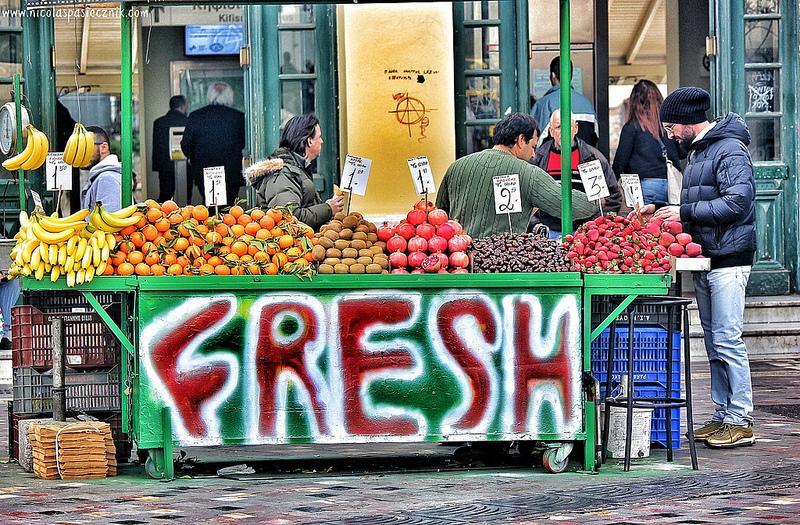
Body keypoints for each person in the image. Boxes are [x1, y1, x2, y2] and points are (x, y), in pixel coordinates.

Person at [646, 87, 756, 448]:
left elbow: (737, 203)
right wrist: (662, 208)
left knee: (727, 339)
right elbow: (701, 201)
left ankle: (740, 419)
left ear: (688, 121)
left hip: (729, 259)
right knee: (713, 341)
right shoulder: (698, 152)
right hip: (707, 258)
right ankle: (722, 414)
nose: (670, 134)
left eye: (672, 126)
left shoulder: (729, 149)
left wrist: (684, 212)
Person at [435, 112, 599, 240]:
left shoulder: (456, 167)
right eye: (533, 146)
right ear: (521, 140)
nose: (534, 154)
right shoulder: (528, 173)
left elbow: (438, 215)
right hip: (504, 267)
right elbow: (575, 205)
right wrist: (596, 200)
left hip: (459, 264)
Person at [531, 109, 621, 239]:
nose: (563, 131)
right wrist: (536, 224)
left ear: (576, 128)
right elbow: (526, 195)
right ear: (551, 131)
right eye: (558, 127)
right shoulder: (539, 157)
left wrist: (594, 225)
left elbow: (613, 196)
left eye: (568, 126)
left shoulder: (593, 157)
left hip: (585, 234)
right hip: (549, 231)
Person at [246, 114, 343, 230]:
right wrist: (328, 209)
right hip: (290, 246)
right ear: (309, 141)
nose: (322, 141)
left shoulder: (297, 168)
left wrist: (327, 207)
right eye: (319, 137)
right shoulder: (283, 174)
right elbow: (288, 218)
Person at [612, 80, 681, 204]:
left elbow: (620, 162)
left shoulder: (632, 127)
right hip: (672, 183)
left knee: (646, 223)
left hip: (644, 186)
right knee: (668, 221)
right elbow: (681, 152)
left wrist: (610, 187)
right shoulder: (668, 126)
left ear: (634, 102)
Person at [181, 82, 246, 205]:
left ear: (209, 95)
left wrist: (193, 157)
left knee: (211, 210)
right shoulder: (239, 117)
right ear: (229, 96)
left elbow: (185, 145)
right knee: (230, 211)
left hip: (205, 171)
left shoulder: (196, 116)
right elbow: (243, 143)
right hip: (231, 173)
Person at [530, 56, 599, 147]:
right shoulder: (587, 104)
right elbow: (595, 137)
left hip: (553, 160)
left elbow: (534, 141)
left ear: (553, 75)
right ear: (571, 75)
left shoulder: (544, 104)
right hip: (584, 159)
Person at [152, 95, 188, 202]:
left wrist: (157, 166)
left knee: (165, 196)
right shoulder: (188, 121)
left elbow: (157, 147)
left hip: (164, 167)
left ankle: (160, 217)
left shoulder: (159, 122)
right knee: (185, 198)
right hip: (185, 167)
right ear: (183, 106)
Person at [80, 126, 122, 212]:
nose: (81, 153)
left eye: (86, 147)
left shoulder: (107, 178)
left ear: (104, 148)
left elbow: (109, 222)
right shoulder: (101, 176)